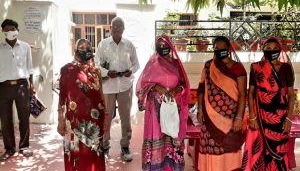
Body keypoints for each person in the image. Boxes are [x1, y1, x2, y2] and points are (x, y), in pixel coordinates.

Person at [136, 35, 190, 171]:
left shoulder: (177, 64)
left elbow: (184, 84)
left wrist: (178, 89)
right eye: (159, 46)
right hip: (155, 108)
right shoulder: (152, 64)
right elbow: (142, 85)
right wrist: (154, 87)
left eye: (164, 45)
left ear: (170, 46)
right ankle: (155, 166)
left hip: (173, 107)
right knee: (157, 134)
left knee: (172, 134)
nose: (162, 48)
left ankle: (172, 166)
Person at [242, 37, 295, 171]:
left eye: (275, 48)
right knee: (260, 150)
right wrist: (252, 116)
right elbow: (251, 93)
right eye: (268, 48)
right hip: (260, 115)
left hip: (280, 117)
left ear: (280, 49)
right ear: (263, 50)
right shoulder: (256, 67)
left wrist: (289, 118)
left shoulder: (286, 68)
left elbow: (290, 95)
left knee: (279, 149)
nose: (272, 51)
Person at [197, 36, 247, 171]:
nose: (219, 50)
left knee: (230, 149)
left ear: (229, 49)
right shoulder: (208, 66)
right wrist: (200, 109)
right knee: (211, 149)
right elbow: (201, 88)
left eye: (222, 48)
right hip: (209, 119)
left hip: (231, 119)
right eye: (216, 48)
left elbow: (243, 94)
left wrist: (239, 118)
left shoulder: (238, 68)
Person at [57, 38, 106, 171]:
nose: (86, 51)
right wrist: (60, 119)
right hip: (74, 122)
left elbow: (101, 95)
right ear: (75, 50)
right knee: (76, 155)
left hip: (95, 122)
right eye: (82, 48)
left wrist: (106, 117)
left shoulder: (96, 71)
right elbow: (62, 97)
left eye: (89, 49)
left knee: (94, 155)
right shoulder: (67, 70)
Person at [95, 17, 140, 162]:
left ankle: (125, 146)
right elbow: (96, 65)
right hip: (108, 86)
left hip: (125, 85)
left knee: (125, 118)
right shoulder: (103, 45)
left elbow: (136, 64)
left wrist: (130, 71)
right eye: (115, 27)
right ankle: (105, 147)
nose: (117, 29)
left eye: (120, 27)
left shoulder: (129, 45)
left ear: (123, 29)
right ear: (110, 28)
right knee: (106, 117)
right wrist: (107, 72)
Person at [0, 19, 35, 161]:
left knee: (24, 117)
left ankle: (24, 146)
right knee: (6, 119)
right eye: (7, 29)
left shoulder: (25, 47)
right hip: (3, 87)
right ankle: (9, 149)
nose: (10, 32)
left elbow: (30, 67)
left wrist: (31, 85)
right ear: (3, 32)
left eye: (13, 28)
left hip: (22, 86)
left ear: (17, 30)